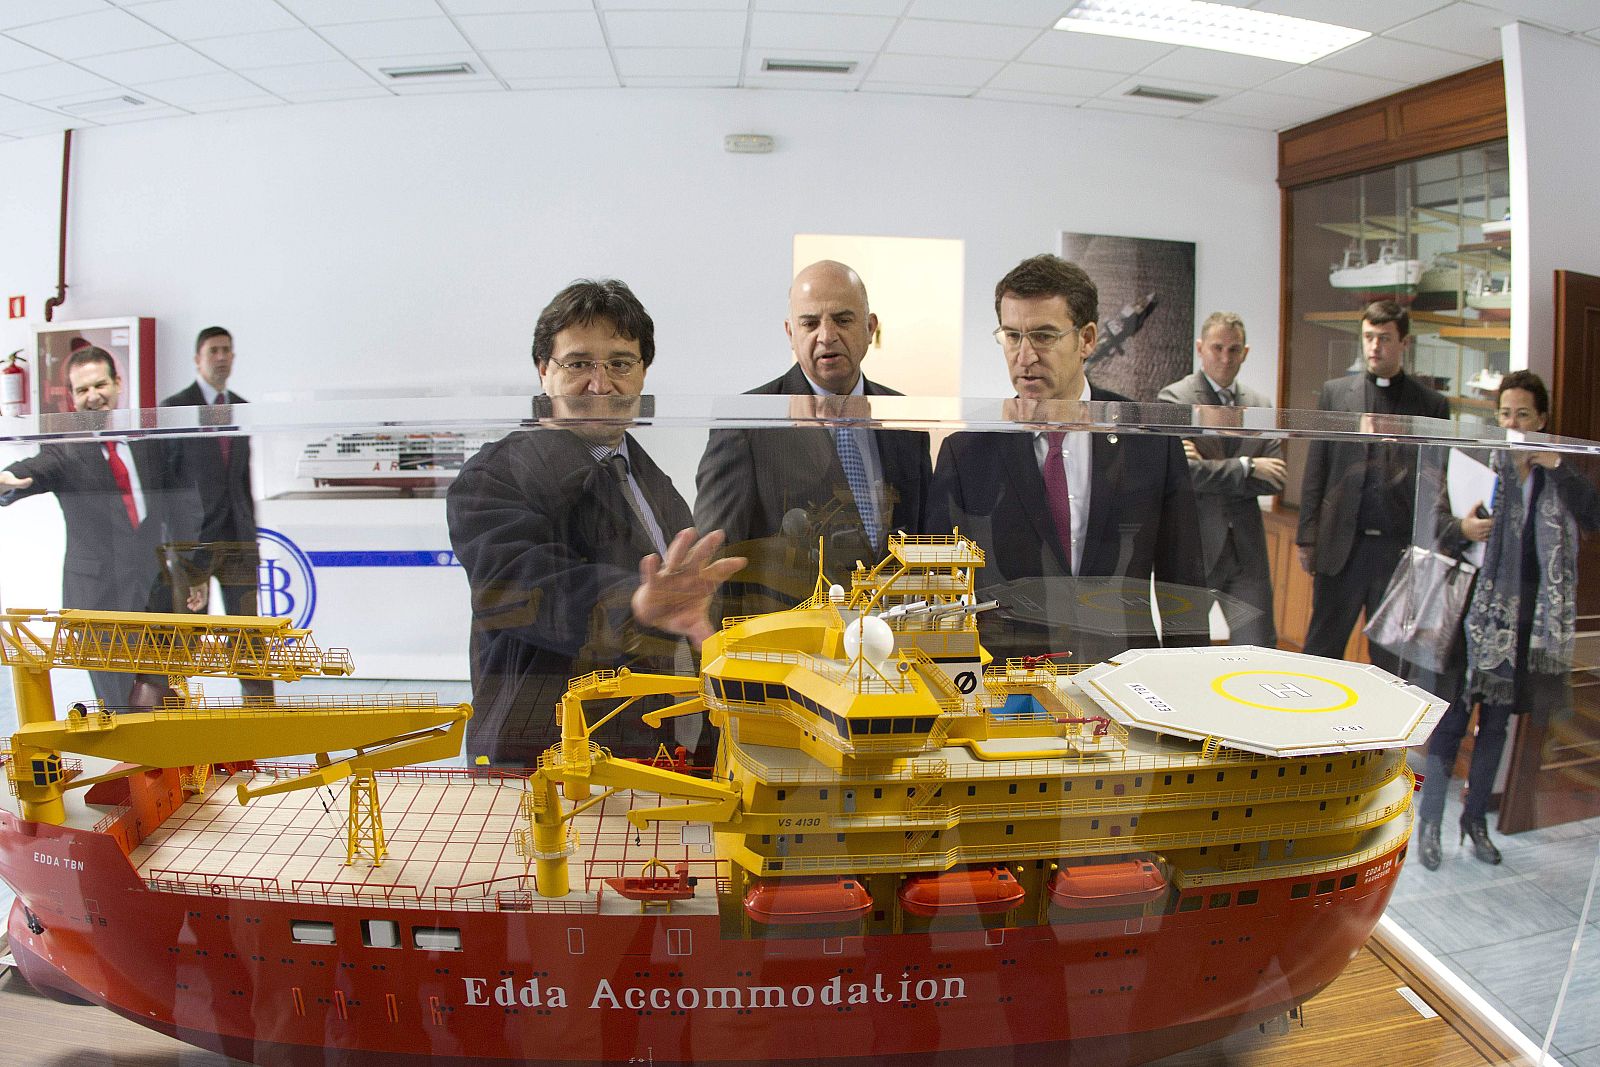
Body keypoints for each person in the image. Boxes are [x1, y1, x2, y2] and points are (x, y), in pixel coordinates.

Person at [446, 279, 743, 767]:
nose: (601, 384)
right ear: (544, 372)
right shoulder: (493, 476)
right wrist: (635, 603)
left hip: (645, 750)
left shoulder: (647, 476)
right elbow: (523, 587)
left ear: (643, 373)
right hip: (544, 752)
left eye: (620, 364)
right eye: (579, 364)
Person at [927, 254, 1205, 663]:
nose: (1024, 356)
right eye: (1012, 336)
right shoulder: (967, 452)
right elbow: (938, 590)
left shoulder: (1148, 439)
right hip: (1007, 683)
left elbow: (1184, 585)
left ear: (1087, 339)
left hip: (1122, 677)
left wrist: (1186, 689)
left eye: (1043, 335)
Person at [1415, 371, 1600, 869]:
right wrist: (1465, 527)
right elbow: (1438, 528)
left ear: (1541, 420)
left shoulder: (1559, 474)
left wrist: (1557, 464)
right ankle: (1429, 824)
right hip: (1471, 618)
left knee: (1496, 726)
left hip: (1526, 620)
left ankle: (1474, 822)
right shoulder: (1480, 460)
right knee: (1452, 722)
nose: (1513, 424)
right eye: (1504, 414)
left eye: (1523, 415)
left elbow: (1595, 516)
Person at [694, 260, 930, 610]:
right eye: (810, 323)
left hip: (894, 647)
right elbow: (715, 565)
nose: (826, 335)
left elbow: (922, 544)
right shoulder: (746, 423)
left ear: (870, 327)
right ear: (791, 333)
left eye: (843, 319)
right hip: (789, 652)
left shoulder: (906, 419)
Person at [0, 347, 204, 709]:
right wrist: (8, 480)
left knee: (163, 695)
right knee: (121, 705)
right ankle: (137, 763)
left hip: (154, 595)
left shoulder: (147, 441)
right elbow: (36, 468)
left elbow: (182, 506)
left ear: (117, 383)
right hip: (98, 601)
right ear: (72, 397)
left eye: (100, 385)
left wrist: (190, 566)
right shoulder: (65, 447)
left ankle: (163, 762)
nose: (93, 397)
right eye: (82, 390)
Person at [1296, 300, 1450, 672]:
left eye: (1383, 338)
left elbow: (1436, 483)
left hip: (1396, 552)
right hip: (1342, 546)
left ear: (1404, 343)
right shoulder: (1335, 394)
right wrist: (1307, 535)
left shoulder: (1430, 405)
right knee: (1322, 649)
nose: (1374, 347)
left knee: (1389, 660)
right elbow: (1317, 466)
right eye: (1367, 337)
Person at [1158, 312, 1285, 647]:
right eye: (1217, 348)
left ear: (1245, 352)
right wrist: (1246, 466)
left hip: (1247, 550)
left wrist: (1210, 468)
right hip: (1193, 547)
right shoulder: (1175, 400)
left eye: (1234, 349)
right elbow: (1184, 475)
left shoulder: (1260, 405)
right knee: (1183, 653)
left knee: (1258, 652)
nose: (1225, 358)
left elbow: (1275, 478)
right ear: (1201, 348)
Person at [162, 326, 272, 699]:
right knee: (184, 638)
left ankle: (262, 713)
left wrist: (252, 539)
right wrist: (179, 549)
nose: (222, 357)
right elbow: (168, 483)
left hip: (238, 539)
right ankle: (174, 711)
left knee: (249, 632)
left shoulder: (241, 406)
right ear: (198, 359)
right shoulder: (175, 408)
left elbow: (242, 480)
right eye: (214, 350)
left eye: (227, 350)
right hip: (194, 543)